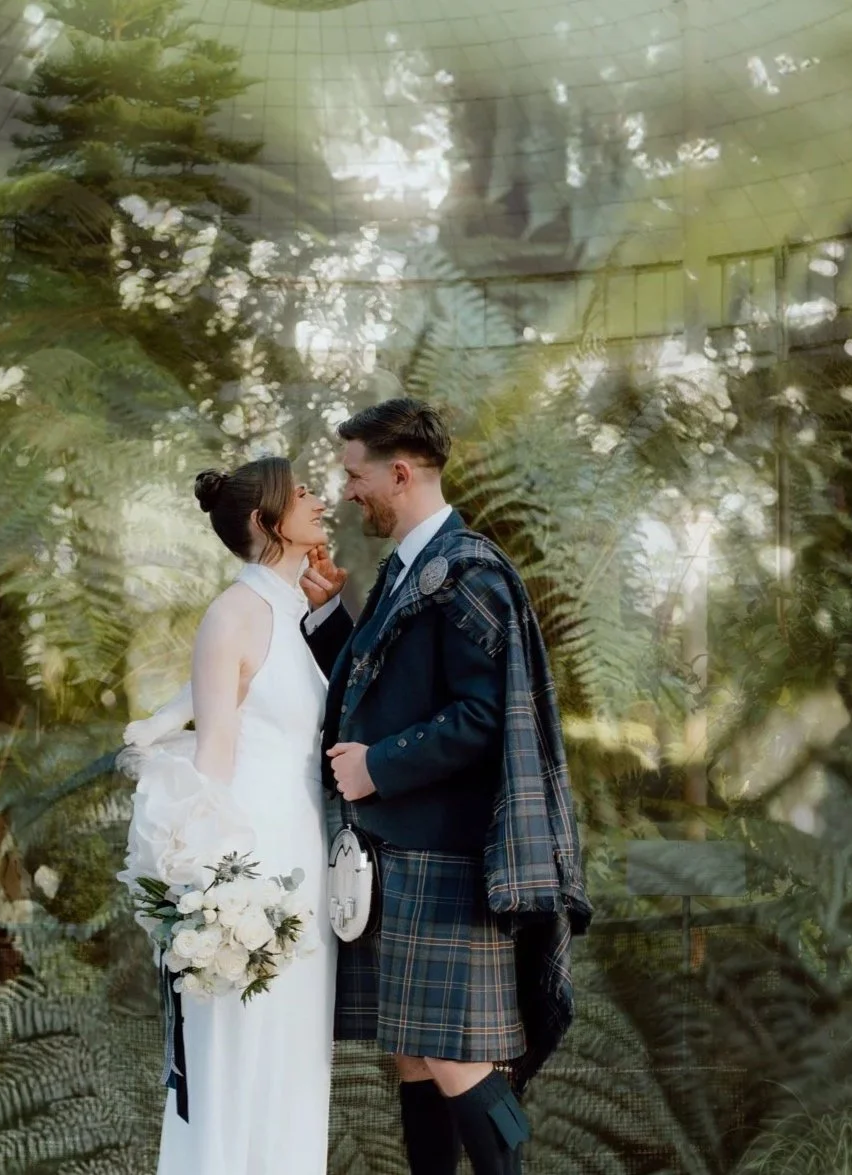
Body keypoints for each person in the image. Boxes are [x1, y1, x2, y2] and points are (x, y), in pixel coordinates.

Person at [300, 397, 592, 1175]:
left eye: (355, 474)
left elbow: (485, 715)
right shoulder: (408, 569)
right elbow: (386, 689)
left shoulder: (468, 571)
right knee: (413, 1057)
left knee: (457, 1057)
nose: (347, 491)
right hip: (402, 851)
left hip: (445, 858)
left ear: (399, 472)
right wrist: (332, 620)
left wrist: (377, 765)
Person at [127, 456, 340, 1175]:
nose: (318, 498)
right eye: (301, 491)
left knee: (291, 1065)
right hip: (252, 872)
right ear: (264, 520)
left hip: (303, 870)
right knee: (240, 1059)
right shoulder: (232, 614)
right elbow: (213, 750)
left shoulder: (291, 611)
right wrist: (207, 895)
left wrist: (325, 607)